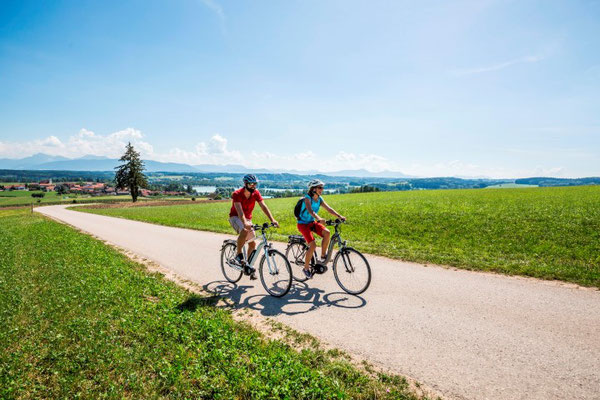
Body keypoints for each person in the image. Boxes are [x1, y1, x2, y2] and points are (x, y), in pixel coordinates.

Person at [229, 174, 279, 278]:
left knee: (252, 244)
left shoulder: (256, 193)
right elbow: (239, 210)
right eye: (251, 184)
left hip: (247, 219)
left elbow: (263, 206)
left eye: (255, 184)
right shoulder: (237, 194)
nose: (253, 186)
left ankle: (248, 266)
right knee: (244, 230)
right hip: (235, 217)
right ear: (245, 184)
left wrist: (272, 219)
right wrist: (245, 223)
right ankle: (238, 254)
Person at [296, 179, 346, 279]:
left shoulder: (319, 199)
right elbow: (310, 211)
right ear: (313, 189)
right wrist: (319, 218)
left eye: (322, 187)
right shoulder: (307, 198)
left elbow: (329, 209)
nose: (321, 189)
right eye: (320, 187)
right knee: (313, 245)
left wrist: (339, 216)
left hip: (311, 223)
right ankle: (306, 268)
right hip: (303, 224)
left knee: (327, 232)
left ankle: (323, 256)